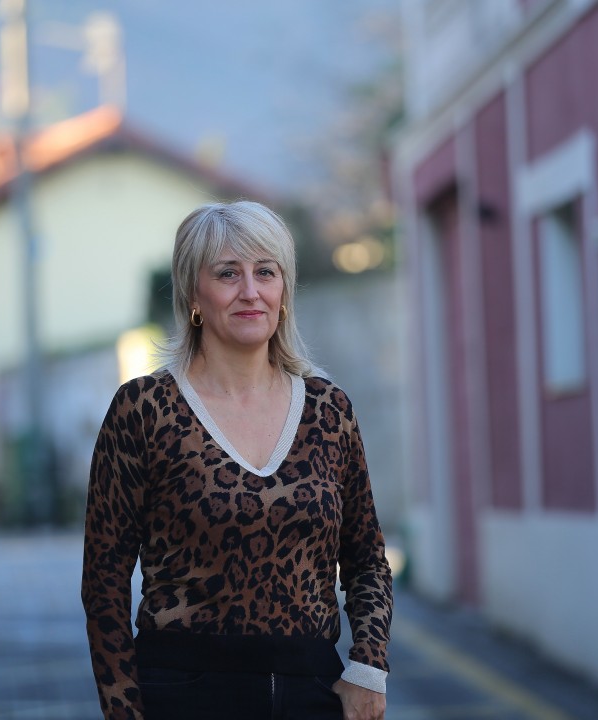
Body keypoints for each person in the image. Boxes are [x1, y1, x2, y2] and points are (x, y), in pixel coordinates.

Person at [81, 200, 393, 720]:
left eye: (265, 272)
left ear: (284, 291)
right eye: (228, 273)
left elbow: (366, 561)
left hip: (311, 691)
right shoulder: (143, 409)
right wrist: (124, 711)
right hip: (183, 695)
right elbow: (104, 583)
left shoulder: (329, 410)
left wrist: (368, 669)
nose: (251, 291)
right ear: (193, 293)